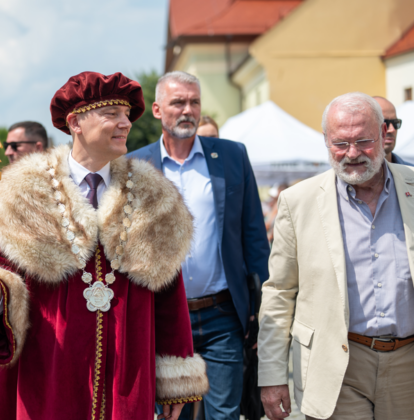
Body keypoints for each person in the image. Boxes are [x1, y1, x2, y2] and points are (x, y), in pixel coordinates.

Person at [0, 71, 207, 420]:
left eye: (127, 115)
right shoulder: (25, 195)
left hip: (127, 372)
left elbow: (169, 292)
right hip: (48, 367)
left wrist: (175, 378)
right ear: (76, 122)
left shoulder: (154, 197)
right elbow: (5, 275)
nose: (125, 123)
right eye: (112, 114)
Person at [258, 92, 414, 420]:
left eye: (363, 141)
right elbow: (280, 293)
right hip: (336, 366)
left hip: (407, 366)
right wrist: (272, 376)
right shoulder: (298, 201)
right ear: (326, 140)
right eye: (340, 143)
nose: (352, 153)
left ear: (384, 133)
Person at [128, 71, 270, 420]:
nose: (188, 110)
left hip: (223, 314)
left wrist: (262, 308)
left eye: (194, 102)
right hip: (162, 315)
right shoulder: (133, 166)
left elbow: (253, 235)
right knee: (170, 414)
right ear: (158, 110)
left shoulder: (233, 157)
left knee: (224, 414)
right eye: (178, 102)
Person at [373, 96, 411, 166]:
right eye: (384, 123)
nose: (392, 129)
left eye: (395, 123)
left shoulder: (411, 172)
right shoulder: (351, 174)